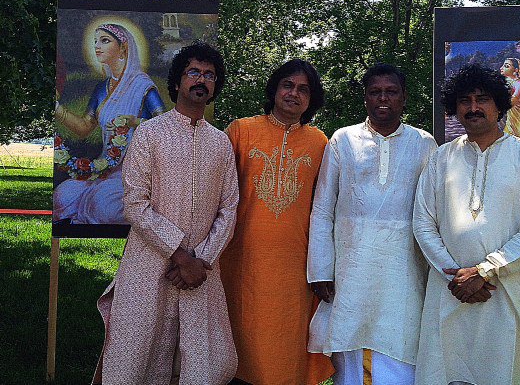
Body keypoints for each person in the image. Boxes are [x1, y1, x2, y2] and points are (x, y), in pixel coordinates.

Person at [412, 64, 520, 385]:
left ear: (499, 105)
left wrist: (485, 271)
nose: (473, 108)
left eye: (482, 99)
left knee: (509, 370)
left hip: (506, 289)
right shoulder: (440, 159)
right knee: (448, 369)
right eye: (464, 100)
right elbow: (423, 223)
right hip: (450, 290)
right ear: (454, 107)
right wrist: (455, 275)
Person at [92, 42, 239, 385]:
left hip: (201, 270)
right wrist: (180, 256)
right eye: (193, 72)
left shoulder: (220, 143)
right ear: (176, 82)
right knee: (134, 358)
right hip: (149, 263)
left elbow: (229, 208)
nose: (201, 80)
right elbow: (135, 204)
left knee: (205, 364)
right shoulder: (150, 133)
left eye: (209, 75)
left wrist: (200, 261)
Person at [307, 63, 437, 385]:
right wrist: (321, 269)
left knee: (401, 339)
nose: (383, 98)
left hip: (404, 269)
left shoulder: (423, 144)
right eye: (375, 92)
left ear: (403, 98)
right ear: (365, 97)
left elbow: (433, 211)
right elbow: (322, 209)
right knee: (351, 338)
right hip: (351, 268)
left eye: (391, 92)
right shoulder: (343, 140)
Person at [220, 59, 334, 385]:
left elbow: (326, 207)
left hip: (294, 269)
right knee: (238, 345)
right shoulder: (241, 131)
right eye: (288, 85)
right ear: (274, 90)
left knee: (286, 349)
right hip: (241, 263)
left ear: (311, 100)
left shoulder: (320, 143)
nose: (293, 93)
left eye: (303, 90)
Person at [54, 23, 165, 224]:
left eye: (104, 41)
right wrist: (57, 109)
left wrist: (134, 122)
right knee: (62, 196)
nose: (97, 46)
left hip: (136, 172)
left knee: (102, 206)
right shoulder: (102, 88)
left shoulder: (143, 86)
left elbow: (164, 128)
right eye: (95, 41)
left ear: (123, 48)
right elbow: (84, 127)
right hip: (105, 168)